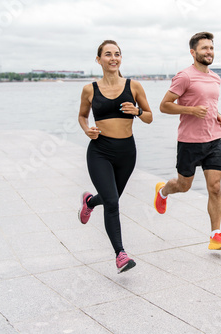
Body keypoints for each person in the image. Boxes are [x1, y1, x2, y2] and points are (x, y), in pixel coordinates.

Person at [77, 40, 153, 273]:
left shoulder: (134, 86)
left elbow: (149, 117)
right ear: (98, 59)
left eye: (117, 54)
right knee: (112, 202)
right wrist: (87, 129)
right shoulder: (90, 89)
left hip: (126, 153)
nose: (113, 58)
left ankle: (90, 201)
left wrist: (138, 112)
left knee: (111, 198)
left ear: (121, 58)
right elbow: (82, 116)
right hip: (100, 150)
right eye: (107, 54)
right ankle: (120, 254)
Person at [154, 32, 221, 251]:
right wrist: (190, 110)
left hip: (214, 139)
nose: (209, 52)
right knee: (183, 186)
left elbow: (209, 103)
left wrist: (218, 115)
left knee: (215, 188)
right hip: (189, 141)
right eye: (204, 48)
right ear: (193, 52)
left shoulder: (215, 77)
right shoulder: (184, 76)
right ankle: (163, 191)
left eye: (211, 48)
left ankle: (215, 235)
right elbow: (164, 105)